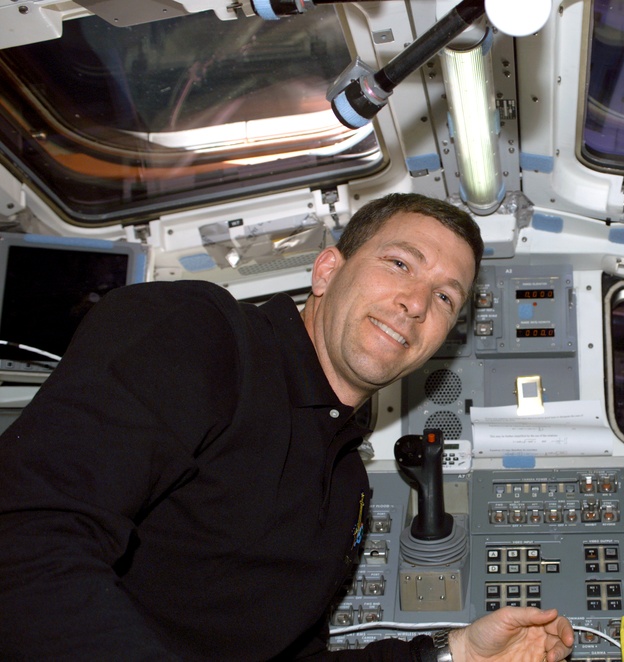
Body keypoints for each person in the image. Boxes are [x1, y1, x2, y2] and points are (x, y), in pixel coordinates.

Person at [0, 193, 575, 661]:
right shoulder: (202, 335)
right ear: (328, 269)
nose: (417, 303)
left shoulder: (346, 484)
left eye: (445, 298)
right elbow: (27, 538)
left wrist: (455, 654)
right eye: (400, 264)